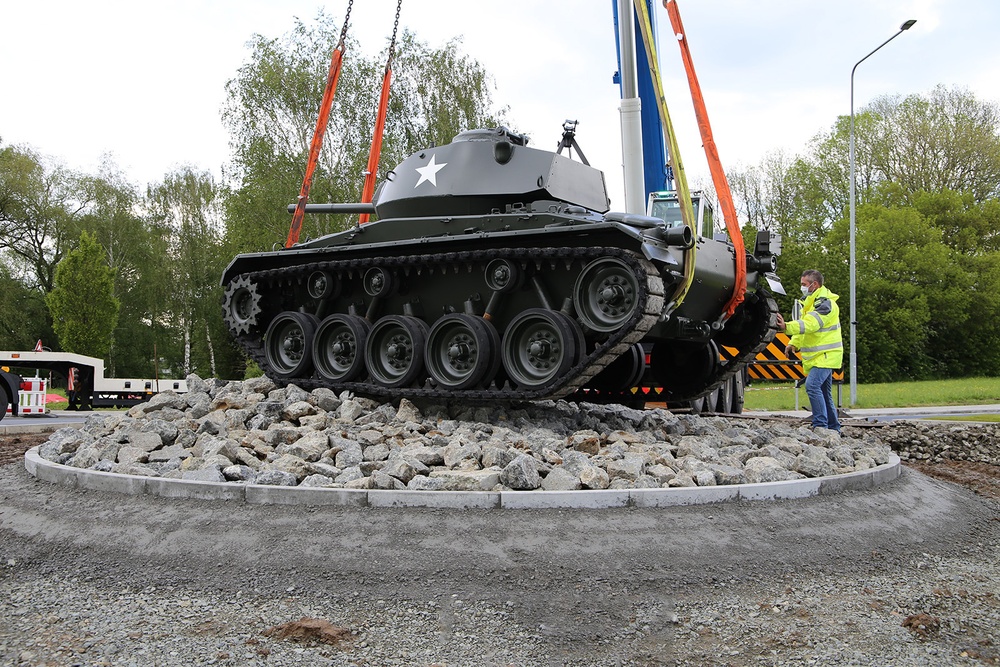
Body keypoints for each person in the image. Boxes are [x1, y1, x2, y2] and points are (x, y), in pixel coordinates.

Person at [775, 270, 844, 432]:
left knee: (812, 386)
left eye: (804, 285)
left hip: (826, 357)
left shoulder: (825, 304)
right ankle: (833, 428)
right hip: (822, 357)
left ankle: (820, 425)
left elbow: (811, 324)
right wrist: (794, 343)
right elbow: (805, 327)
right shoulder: (810, 303)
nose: (802, 288)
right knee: (823, 393)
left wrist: (786, 327)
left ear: (815, 284)